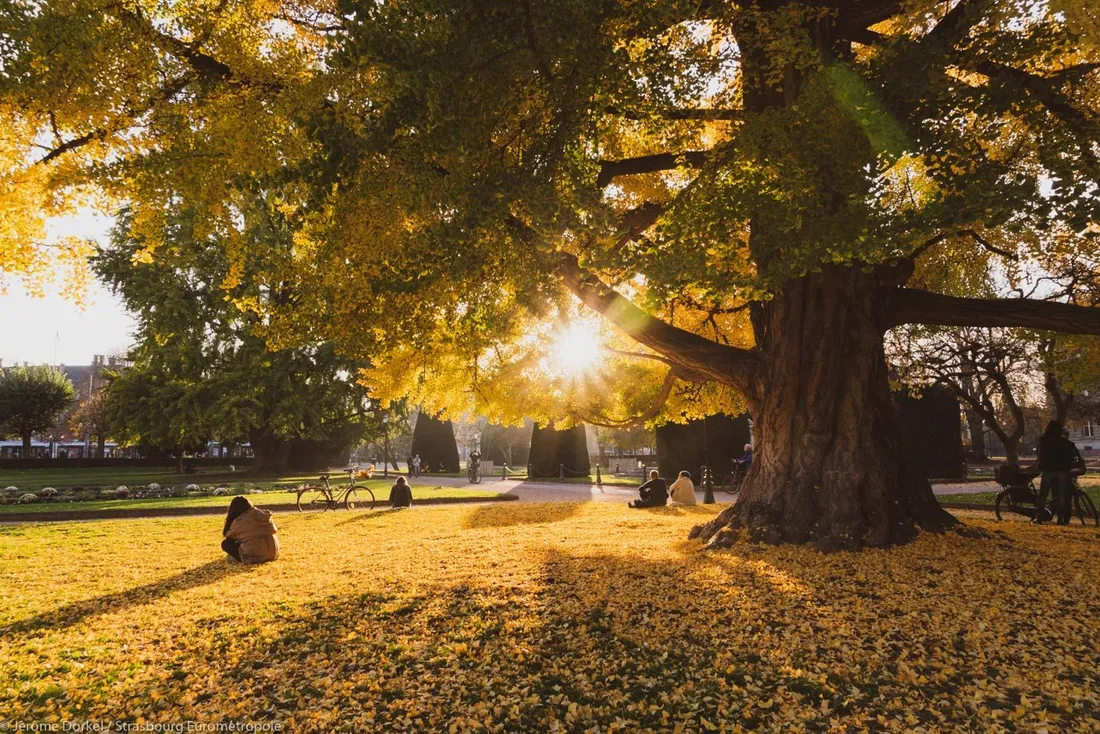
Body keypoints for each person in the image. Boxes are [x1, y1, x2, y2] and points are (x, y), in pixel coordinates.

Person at [1034, 420, 1078, 525]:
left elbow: (1040, 455)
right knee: (1061, 495)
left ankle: (1038, 516)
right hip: (1062, 471)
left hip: (1048, 470)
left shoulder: (1043, 441)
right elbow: (1071, 455)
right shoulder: (1066, 443)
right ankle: (1061, 517)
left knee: (1043, 494)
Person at [221, 496, 279, 564]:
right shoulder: (263, 515)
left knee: (226, 544)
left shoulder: (239, 521)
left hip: (256, 556)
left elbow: (229, 536)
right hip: (273, 552)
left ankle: (245, 557)